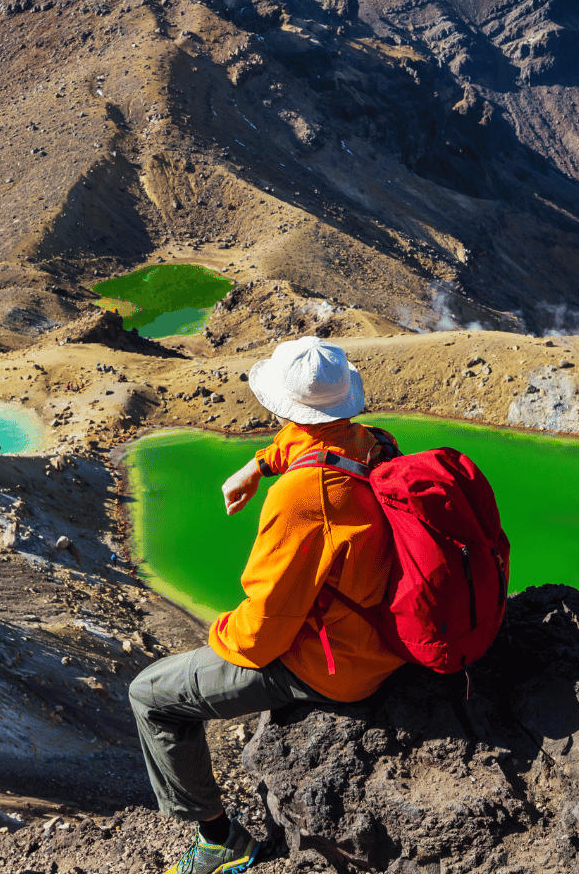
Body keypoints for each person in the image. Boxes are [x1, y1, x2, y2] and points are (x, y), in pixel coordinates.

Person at [129, 336, 407, 874]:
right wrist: (257, 464)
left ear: (281, 403)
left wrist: (219, 636)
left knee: (151, 697)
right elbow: (308, 443)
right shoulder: (375, 443)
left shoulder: (302, 497)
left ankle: (219, 840)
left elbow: (263, 633)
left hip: (342, 666)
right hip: (386, 633)